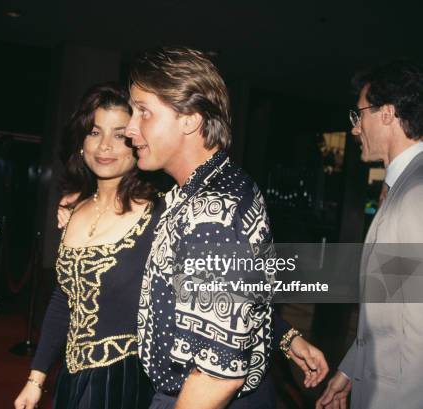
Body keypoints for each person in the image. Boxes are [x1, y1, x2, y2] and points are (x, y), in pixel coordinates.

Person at [125, 46, 303, 409]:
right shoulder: (216, 187)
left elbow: (218, 373)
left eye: (143, 111)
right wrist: (286, 337)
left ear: (190, 119)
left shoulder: (211, 212)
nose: (130, 128)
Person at [14, 83, 158, 409]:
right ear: (81, 141)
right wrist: (35, 379)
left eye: (120, 135)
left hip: (126, 381)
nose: (105, 145)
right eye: (95, 132)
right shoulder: (74, 211)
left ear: (138, 141)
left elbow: (216, 283)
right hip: (70, 379)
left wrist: (285, 338)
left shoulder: (159, 214)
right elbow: (64, 300)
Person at [317, 60, 423, 409]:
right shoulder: (402, 187)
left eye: (358, 114)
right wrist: (350, 371)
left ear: (388, 113)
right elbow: (394, 302)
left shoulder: (416, 193)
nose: (354, 128)